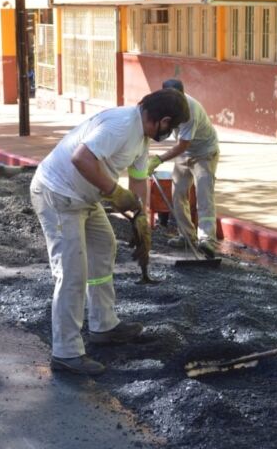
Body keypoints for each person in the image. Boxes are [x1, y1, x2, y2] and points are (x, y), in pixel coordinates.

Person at [30, 89, 190, 376]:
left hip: (84, 199)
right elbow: (81, 158)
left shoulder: (140, 138)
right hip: (58, 195)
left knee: (104, 246)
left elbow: (139, 180)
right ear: (163, 120)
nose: (171, 133)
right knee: (72, 273)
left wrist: (140, 216)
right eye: (172, 127)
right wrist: (114, 191)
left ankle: (103, 325)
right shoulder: (121, 125)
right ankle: (66, 353)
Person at [146, 78, 220, 258]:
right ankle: (186, 236)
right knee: (178, 194)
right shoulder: (163, 105)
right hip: (185, 153)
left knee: (204, 195)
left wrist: (158, 159)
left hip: (204, 153)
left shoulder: (190, 110)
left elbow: (182, 145)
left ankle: (207, 239)